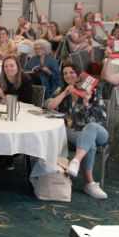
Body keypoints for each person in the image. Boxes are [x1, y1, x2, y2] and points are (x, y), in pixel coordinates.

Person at [44, 64, 109, 199]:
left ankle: (76, 160)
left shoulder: (93, 91)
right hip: (74, 131)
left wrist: (86, 104)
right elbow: (48, 106)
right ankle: (89, 183)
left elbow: (101, 117)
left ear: (80, 74)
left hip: (99, 131)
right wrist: (64, 93)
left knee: (91, 128)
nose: (69, 75)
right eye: (65, 73)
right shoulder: (62, 90)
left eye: (72, 72)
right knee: (89, 143)